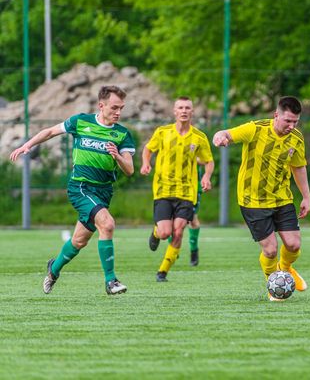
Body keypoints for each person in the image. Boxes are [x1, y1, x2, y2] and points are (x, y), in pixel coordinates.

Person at [10, 85, 135, 295]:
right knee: (107, 224)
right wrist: (27, 145)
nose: (118, 112)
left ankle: (53, 269)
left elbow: (129, 169)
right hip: (80, 187)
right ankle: (111, 281)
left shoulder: (122, 134)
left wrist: (117, 156)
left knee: (79, 241)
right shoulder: (81, 121)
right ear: (101, 105)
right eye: (114, 107)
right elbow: (50, 132)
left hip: (103, 192)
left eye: (121, 108)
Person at [212, 96, 310, 301]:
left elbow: (298, 166)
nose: (292, 126)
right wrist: (219, 137)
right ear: (276, 115)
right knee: (271, 249)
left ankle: (285, 269)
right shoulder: (255, 129)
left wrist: (306, 197)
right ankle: (273, 284)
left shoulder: (296, 138)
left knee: (294, 245)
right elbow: (227, 133)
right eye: (288, 121)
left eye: (295, 122)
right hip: (253, 200)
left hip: (282, 198)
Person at [140, 96, 214, 282]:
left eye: (187, 108)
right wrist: (146, 163)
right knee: (165, 232)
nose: (184, 111)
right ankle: (156, 232)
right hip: (163, 190)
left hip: (187, 192)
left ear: (192, 112)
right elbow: (148, 149)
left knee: (179, 231)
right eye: (180, 107)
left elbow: (209, 161)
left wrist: (206, 176)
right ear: (174, 111)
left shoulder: (199, 137)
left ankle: (162, 272)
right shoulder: (163, 132)